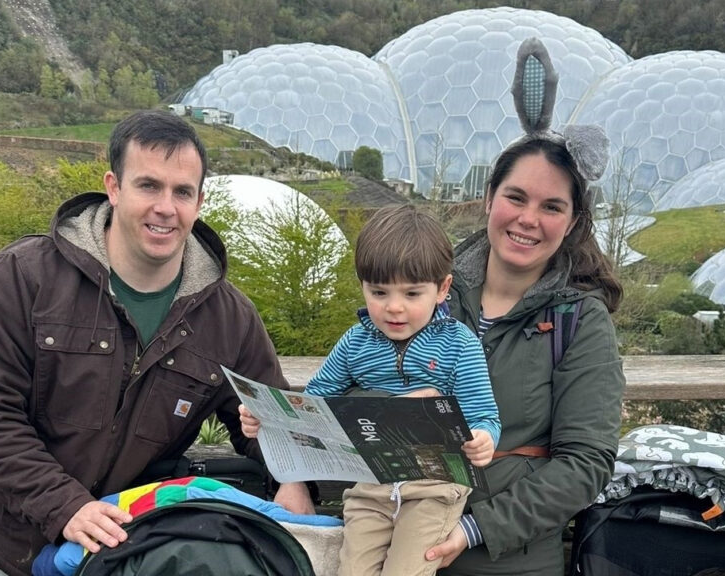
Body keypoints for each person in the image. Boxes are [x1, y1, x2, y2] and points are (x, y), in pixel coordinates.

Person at [0, 110, 310, 576]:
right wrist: (65, 506)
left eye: (182, 192)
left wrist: (294, 477)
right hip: (17, 543)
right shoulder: (25, 277)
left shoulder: (228, 317)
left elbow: (265, 417)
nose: (165, 207)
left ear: (200, 201)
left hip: (134, 545)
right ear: (114, 187)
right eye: (148, 186)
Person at [423, 38, 626, 575]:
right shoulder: (427, 290)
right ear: (489, 197)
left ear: (573, 220)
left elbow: (585, 465)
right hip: (398, 539)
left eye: (551, 206)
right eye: (516, 197)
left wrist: (475, 530)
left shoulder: (578, 320)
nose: (527, 219)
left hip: (506, 560)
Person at [240, 204, 501, 576]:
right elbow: (311, 401)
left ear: (442, 289)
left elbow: (484, 415)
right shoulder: (357, 342)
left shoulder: (459, 345)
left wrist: (482, 437)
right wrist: (265, 417)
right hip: (371, 483)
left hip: (434, 487)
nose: (394, 308)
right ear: (362, 286)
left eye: (412, 294)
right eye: (379, 292)